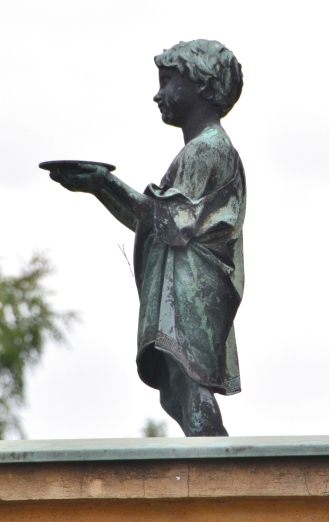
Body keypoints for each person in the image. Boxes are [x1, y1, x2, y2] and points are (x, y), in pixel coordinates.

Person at [49, 39, 246, 436]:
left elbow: (169, 221)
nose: (159, 94)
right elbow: (154, 222)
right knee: (179, 387)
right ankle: (212, 470)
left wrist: (106, 182)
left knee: (189, 386)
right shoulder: (201, 150)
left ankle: (215, 473)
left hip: (194, 290)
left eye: (168, 82)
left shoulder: (206, 150)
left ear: (202, 86)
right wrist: (101, 188)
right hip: (189, 288)